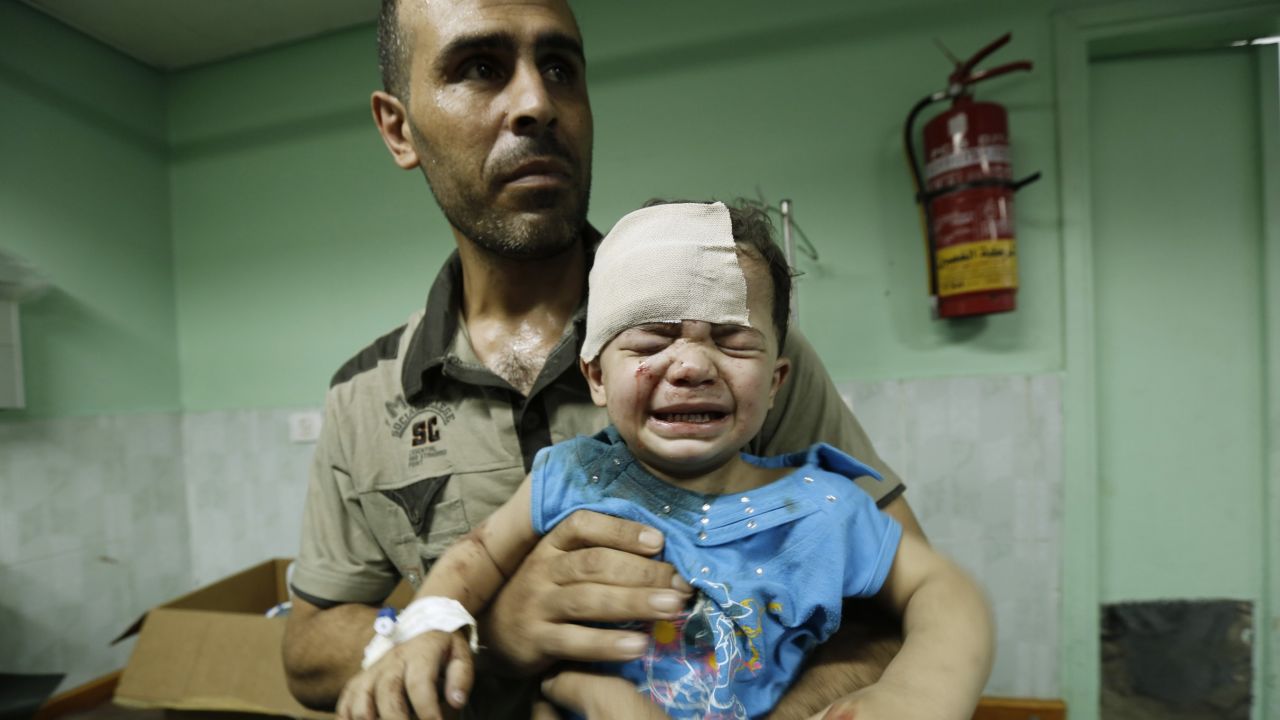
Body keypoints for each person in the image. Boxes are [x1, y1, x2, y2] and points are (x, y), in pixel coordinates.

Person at [281, 0, 929, 717]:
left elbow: (902, 608)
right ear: (398, 127)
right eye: (480, 68)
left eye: (559, 67)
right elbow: (307, 653)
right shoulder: (365, 394)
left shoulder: (729, 357)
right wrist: (486, 630)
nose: (536, 102)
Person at [337, 200, 993, 720]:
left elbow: (945, 591)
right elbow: (474, 557)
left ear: (777, 380)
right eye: (651, 340)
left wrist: (914, 694)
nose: (690, 365)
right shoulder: (571, 476)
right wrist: (429, 625)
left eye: (734, 343)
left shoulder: (826, 507)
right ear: (595, 377)